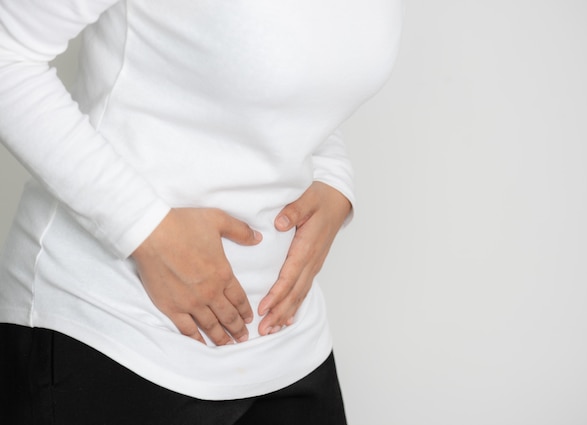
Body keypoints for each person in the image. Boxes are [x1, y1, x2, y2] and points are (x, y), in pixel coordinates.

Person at [0, 1, 404, 424]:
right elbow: (9, 53)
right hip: (113, 330)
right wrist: (142, 228)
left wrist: (334, 175)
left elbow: (299, 69)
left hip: (287, 342)